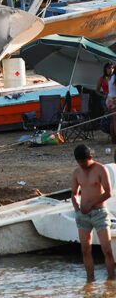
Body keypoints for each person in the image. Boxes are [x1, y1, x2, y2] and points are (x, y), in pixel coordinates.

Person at [72, 144, 115, 281]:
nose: (82, 165)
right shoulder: (77, 172)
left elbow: (108, 193)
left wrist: (90, 204)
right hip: (83, 215)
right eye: (79, 162)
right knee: (85, 250)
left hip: (99, 212)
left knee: (107, 249)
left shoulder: (100, 169)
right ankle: (90, 281)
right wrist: (77, 209)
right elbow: (74, 194)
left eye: (84, 162)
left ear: (90, 157)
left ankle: (111, 279)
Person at [107, 65, 116, 145]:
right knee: (114, 121)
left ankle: (113, 139)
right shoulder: (114, 77)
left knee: (113, 121)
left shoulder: (110, 77)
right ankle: (114, 139)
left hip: (109, 99)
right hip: (114, 100)